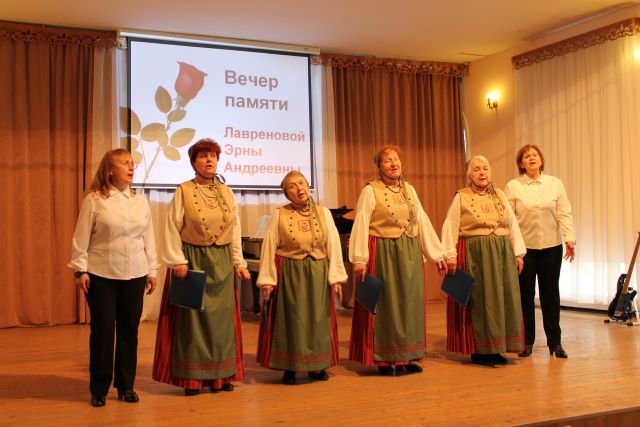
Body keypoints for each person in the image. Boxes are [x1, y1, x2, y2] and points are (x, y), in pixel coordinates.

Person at [152, 138, 250, 395]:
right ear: (194, 162)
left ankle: (221, 376)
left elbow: (235, 229)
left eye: (213, 156)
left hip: (222, 262)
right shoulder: (183, 190)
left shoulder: (226, 192)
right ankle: (193, 379)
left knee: (221, 321)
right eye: (203, 156)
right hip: (194, 259)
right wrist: (177, 260)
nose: (209, 160)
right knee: (193, 321)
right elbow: (172, 227)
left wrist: (238, 262)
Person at [69, 148, 158, 408]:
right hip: (101, 274)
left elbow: (148, 237)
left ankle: (126, 386)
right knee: (103, 330)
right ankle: (99, 388)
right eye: (124, 163)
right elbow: (81, 237)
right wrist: (80, 269)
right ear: (110, 170)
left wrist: (152, 270)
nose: (131, 167)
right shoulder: (94, 200)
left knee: (129, 329)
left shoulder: (140, 201)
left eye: (132, 163)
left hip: (135, 273)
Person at [348, 145, 447, 376]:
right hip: (384, 251)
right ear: (379, 166)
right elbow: (361, 221)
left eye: (396, 159)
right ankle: (386, 360)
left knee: (410, 304)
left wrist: (436, 254)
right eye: (387, 160)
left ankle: (408, 356)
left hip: (409, 252)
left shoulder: (409, 189)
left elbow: (421, 220)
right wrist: (360, 258)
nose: (393, 164)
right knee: (388, 305)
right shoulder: (371, 191)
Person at [256, 171, 348, 385]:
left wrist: (336, 278)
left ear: (308, 186)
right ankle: (291, 366)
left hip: (317, 272)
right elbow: (269, 246)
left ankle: (317, 365)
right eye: (292, 186)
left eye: (301, 183)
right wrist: (268, 280)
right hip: (290, 272)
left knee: (317, 320)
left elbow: (333, 244)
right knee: (292, 320)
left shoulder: (323, 213)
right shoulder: (279, 214)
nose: (298, 188)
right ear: (286, 193)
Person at [441, 155, 526, 366]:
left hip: (501, 253)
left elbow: (512, 223)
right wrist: (450, 255)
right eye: (477, 169)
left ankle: (497, 348)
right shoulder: (461, 197)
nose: (482, 173)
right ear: (469, 175)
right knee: (481, 301)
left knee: (502, 300)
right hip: (475, 255)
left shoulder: (499, 195)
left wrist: (517, 253)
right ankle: (480, 350)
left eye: (485, 168)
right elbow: (450, 225)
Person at [505, 145, 575, 359]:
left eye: (535, 155)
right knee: (525, 295)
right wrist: (514, 249)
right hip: (525, 249)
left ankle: (555, 342)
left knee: (550, 294)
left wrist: (570, 239)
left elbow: (564, 213)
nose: (531, 158)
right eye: (527, 156)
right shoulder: (513, 186)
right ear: (521, 163)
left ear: (541, 160)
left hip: (551, 247)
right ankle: (526, 342)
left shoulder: (555, 183)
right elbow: (509, 220)